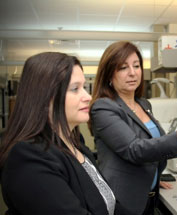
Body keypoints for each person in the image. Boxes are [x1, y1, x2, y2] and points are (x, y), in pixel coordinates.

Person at [89, 41, 177, 215]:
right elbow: (134, 149)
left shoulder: (144, 104)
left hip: (149, 196)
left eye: (136, 66)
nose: (132, 73)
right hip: (123, 200)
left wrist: (155, 175)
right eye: (123, 68)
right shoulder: (104, 108)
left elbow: (156, 144)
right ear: (109, 74)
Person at [0, 52, 116, 215]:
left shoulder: (75, 142)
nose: (88, 97)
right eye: (75, 89)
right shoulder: (28, 157)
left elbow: (107, 201)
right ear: (45, 96)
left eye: (84, 88)